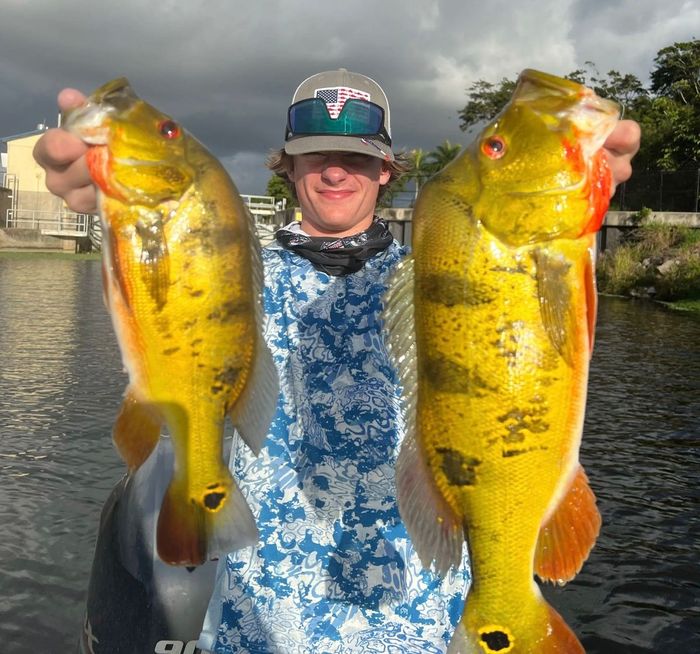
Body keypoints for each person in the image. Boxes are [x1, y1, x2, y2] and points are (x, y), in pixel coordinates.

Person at [35, 69, 641, 654]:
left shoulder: (446, 274)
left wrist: (572, 186)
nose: (333, 171)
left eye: (355, 158)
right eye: (314, 155)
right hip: (263, 623)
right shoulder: (228, 271)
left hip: (433, 623)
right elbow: (161, 299)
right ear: (288, 168)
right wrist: (126, 211)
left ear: (385, 170)